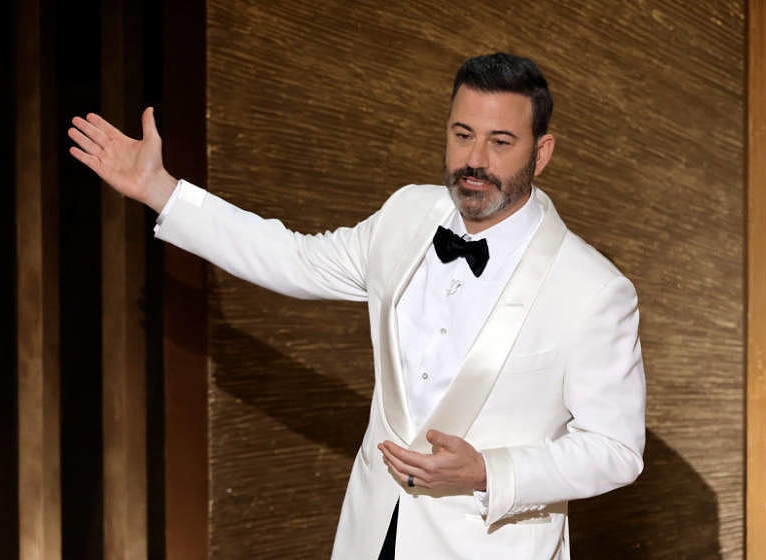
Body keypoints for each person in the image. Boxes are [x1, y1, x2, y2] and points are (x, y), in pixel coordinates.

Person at [68, 52, 645, 560]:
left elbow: (616, 450)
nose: (475, 160)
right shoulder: (407, 214)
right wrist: (161, 190)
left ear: (541, 153)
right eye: (462, 134)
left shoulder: (594, 289)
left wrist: (488, 471)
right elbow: (294, 258)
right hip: (372, 533)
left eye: (500, 142)